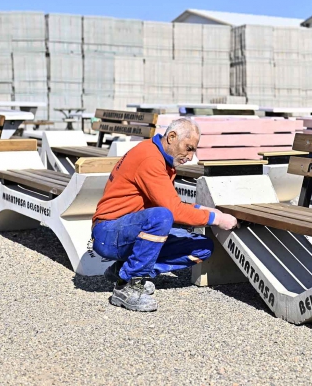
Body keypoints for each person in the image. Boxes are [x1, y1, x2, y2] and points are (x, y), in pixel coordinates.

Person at [91, 118, 239, 312]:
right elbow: (172, 210)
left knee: (202, 248)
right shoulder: (150, 158)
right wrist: (217, 219)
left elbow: (171, 203)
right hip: (108, 232)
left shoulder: (159, 157)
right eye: (189, 148)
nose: (191, 156)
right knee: (161, 217)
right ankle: (128, 286)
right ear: (171, 137)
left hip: (127, 230)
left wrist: (204, 211)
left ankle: (125, 270)